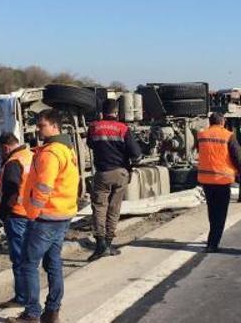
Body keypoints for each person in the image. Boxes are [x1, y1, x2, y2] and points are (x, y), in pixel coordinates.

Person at [9, 109, 79, 323]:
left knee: (28, 264)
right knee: (53, 263)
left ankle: (31, 314)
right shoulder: (67, 149)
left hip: (46, 217)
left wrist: (32, 212)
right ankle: (52, 312)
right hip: (62, 214)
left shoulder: (50, 154)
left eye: (42, 126)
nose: (38, 130)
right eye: (37, 125)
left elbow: (44, 186)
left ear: (55, 127)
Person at [86, 99, 142, 261]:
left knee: (99, 208)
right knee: (114, 208)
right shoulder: (123, 129)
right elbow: (136, 155)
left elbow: (90, 144)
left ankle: (100, 244)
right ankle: (109, 244)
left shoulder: (94, 128)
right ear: (117, 113)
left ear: (102, 113)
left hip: (102, 173)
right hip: (121, 173)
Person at [0, 132, 33, 308]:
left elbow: (11, 192)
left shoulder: (13, 162)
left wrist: (2, 212)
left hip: (16, 215)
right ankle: (29, 296)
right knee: (29, 258)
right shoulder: (30, 155)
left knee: (19, 259)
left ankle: (22, 298)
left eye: (2, 150)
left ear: (6, 147)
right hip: (31, 213)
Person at [196, 113, 241, 253]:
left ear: (210, 122)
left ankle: (212, 239)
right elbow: (238, 157)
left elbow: (201, 152)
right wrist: (239, 172)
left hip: (206, 180)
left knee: (212, 211)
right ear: (222, 122)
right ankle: (213, 243)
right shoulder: (228, 135)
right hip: (222, 180)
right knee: (221, 214)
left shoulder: (202, 135)